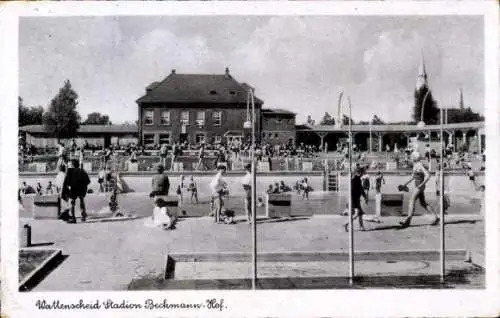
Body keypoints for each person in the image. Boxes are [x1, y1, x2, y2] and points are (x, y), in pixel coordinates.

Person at [399, 152, 439, 228]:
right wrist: (404, 184)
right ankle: (435, 217)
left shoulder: (419, 165)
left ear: (414, 158)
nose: (410, 158)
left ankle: (408, 221)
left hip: (419, 186)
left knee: (411, 201)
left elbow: (428, 175)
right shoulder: (416, 165)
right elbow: (413, 177)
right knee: (423, 203)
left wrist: (421, 184)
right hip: (419, 186)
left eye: (411, 157)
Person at [62, 159, 91, 223]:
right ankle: (83, 215)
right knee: (81, 200)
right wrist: (83, 185)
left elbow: (66, 181)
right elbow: (88, 181)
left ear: (72, 165)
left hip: (73, 189)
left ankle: (73, 218)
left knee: (72, 202)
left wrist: (64, 190)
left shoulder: (69, 171)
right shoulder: (82, 170)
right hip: (81, 189)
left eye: (70, 164)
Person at [343, 167, 368, 232]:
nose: (363, 174)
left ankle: (361, 227)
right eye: (362, 172)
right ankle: (346, 223)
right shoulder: (355, 179)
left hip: (355, 199)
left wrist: (365, 196)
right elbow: (354, 190)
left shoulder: (357, 179)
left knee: (360, 213)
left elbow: (361, 189)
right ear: (359, 172)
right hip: (354, 200)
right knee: (357, 214)